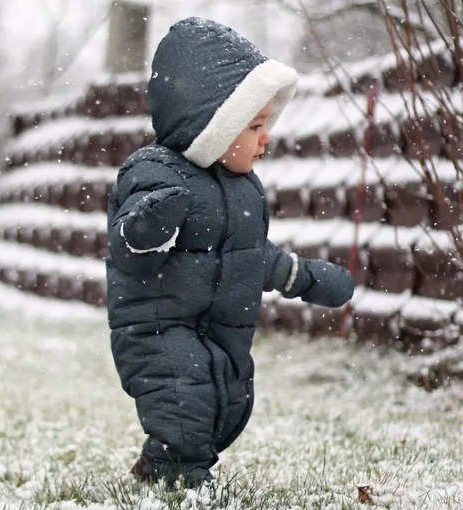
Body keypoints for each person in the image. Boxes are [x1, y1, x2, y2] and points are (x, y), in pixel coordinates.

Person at [105, 17, 354, 487]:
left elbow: (250, 256)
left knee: (227, 401)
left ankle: (161, 465)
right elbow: (129, 250)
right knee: (184, 399)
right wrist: (151, 223)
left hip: (219, 327)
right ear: (212, 127)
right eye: (255, 125)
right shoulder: (155, 174)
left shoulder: (243, 190)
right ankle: (184, 479)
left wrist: (304, 276)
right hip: (157, 326)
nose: (267, 138)